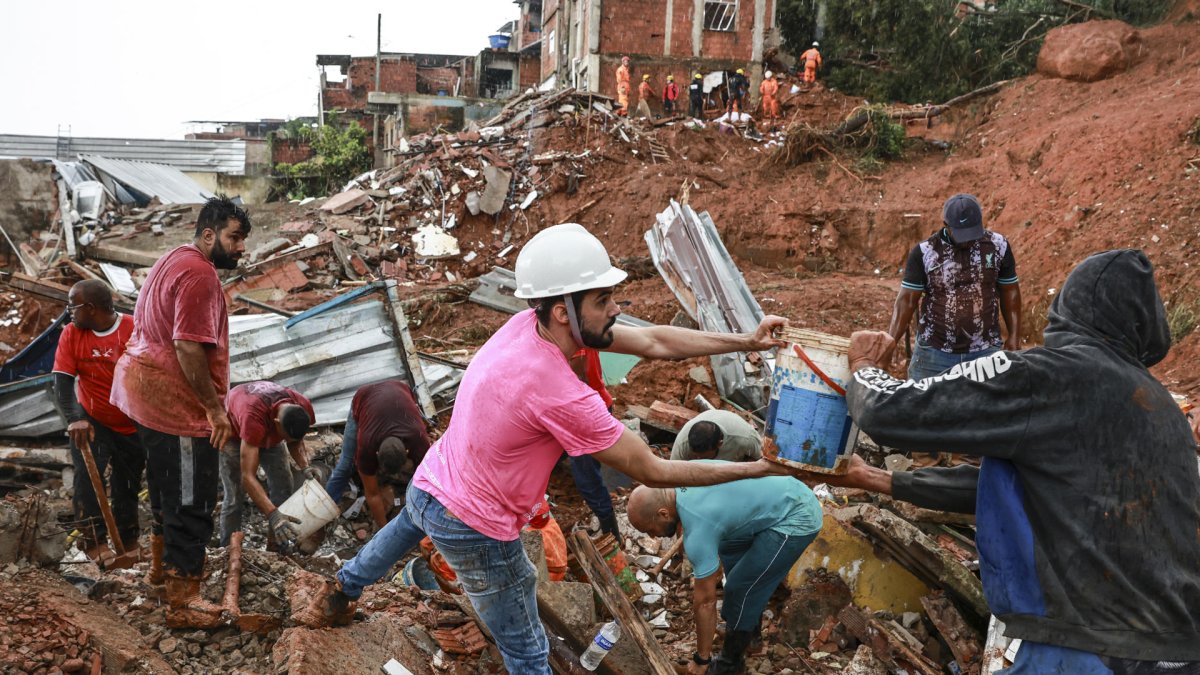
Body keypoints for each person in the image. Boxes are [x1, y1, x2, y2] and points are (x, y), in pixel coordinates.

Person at [296, 223, 793, 674]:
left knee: (405, 529)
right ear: (564, 311)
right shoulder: (561, 393)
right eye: (603, 300)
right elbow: (655, 470)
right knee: (528, 650)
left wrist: (746, 341)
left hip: (434, 480)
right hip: (476, 524)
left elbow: (655, 342)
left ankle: (341, 590)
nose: (615, 309)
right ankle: (347, 590)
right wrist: (756, 470)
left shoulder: (525, 327)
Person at [843, 249, 1200, 671]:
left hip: (1091, 647)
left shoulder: (1048, 375)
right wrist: (883, 481)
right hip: (1176, 646)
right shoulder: (1162, 408)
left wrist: (863, 367)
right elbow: (1020, 489)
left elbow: (890, 411)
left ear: (1069, 309)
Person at [111, 195, 250, 628]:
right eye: (234, 237)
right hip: (175, 401)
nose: (241, 248)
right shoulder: (200, 275)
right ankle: (182, 600)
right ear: (209, 235)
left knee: (167, 487)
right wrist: (213, 410)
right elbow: (188, 345)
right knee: (192, 499)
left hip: (143, 391)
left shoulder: (173, 257)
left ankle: (158, 574)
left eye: (243, 238)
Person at [626, 474, 822, 674]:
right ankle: (748, 633)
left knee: (741, 589)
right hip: (784, 493)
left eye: (649, 529)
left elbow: (705, 602)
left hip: (798, 516)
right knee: (729, 546)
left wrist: (701, 659)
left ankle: (731, 663)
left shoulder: (698, 533)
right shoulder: (685, 477)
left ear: (663, 513)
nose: (652, 536)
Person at [52, 280, 144, 563]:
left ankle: (128, 540)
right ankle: (92, 541)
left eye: (73, 306)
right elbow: (62, 383)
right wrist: (75, 419)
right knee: (87, 480)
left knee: (127, 483)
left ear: (91, 308)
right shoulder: (72, 333)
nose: (69, 312)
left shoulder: (134, 329)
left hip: (133, 421)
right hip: (92, 420)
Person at [889, 193, 1021, 380]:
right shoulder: (926, 252)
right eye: (962, 235)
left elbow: (1010, 291)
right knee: (923, 406)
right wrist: (891, 341)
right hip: (934, 353)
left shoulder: (998, 246)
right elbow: (907, 301)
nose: (967, 241)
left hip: (985, 352)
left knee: (985, 407)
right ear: (947, 226)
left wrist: (1014, 335)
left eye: (972, 233)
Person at [219, 381, 318, 551]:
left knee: (284, 486)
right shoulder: (253, 417)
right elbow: (247, 476)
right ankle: (228, 550)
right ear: (277, 422)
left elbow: (296, 441)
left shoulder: (302, 406)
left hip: (267, 430)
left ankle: (277, 547)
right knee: (235, 496)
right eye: (286, 438)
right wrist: (272, 515)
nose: (289, 443)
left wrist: (305, 466)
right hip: (234, 435)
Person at [324, 380, 431, 529]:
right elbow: (372, 494)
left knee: (422, 477)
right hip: (364, 397)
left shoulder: (419, 440)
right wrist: (384, 531)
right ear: (376, 453)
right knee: (346, 464)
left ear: (407, 451)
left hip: (400, 389)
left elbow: (429, 484)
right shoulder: (366, 446)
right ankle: (324, 513)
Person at [671, 410, 762, 462]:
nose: (699, 460)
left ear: (719, 443)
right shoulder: (682, 443)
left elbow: (763, 461)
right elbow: (672, 476)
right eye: (696, 457)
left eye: (704, 457)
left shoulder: (745, 438)